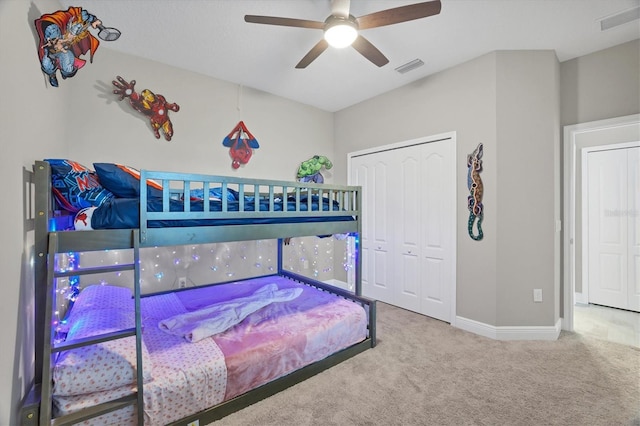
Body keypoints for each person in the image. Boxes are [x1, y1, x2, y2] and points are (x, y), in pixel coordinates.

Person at [35, 7, 101, 87]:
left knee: (68, 68)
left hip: (62, 48)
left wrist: (94, 20)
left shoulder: (77, 26)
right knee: (46, 63)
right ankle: (52, 75)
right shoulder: (54, 30)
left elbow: (86, 16)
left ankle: (64, 72)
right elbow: (52, 33)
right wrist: (55, 42)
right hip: (51, 49)